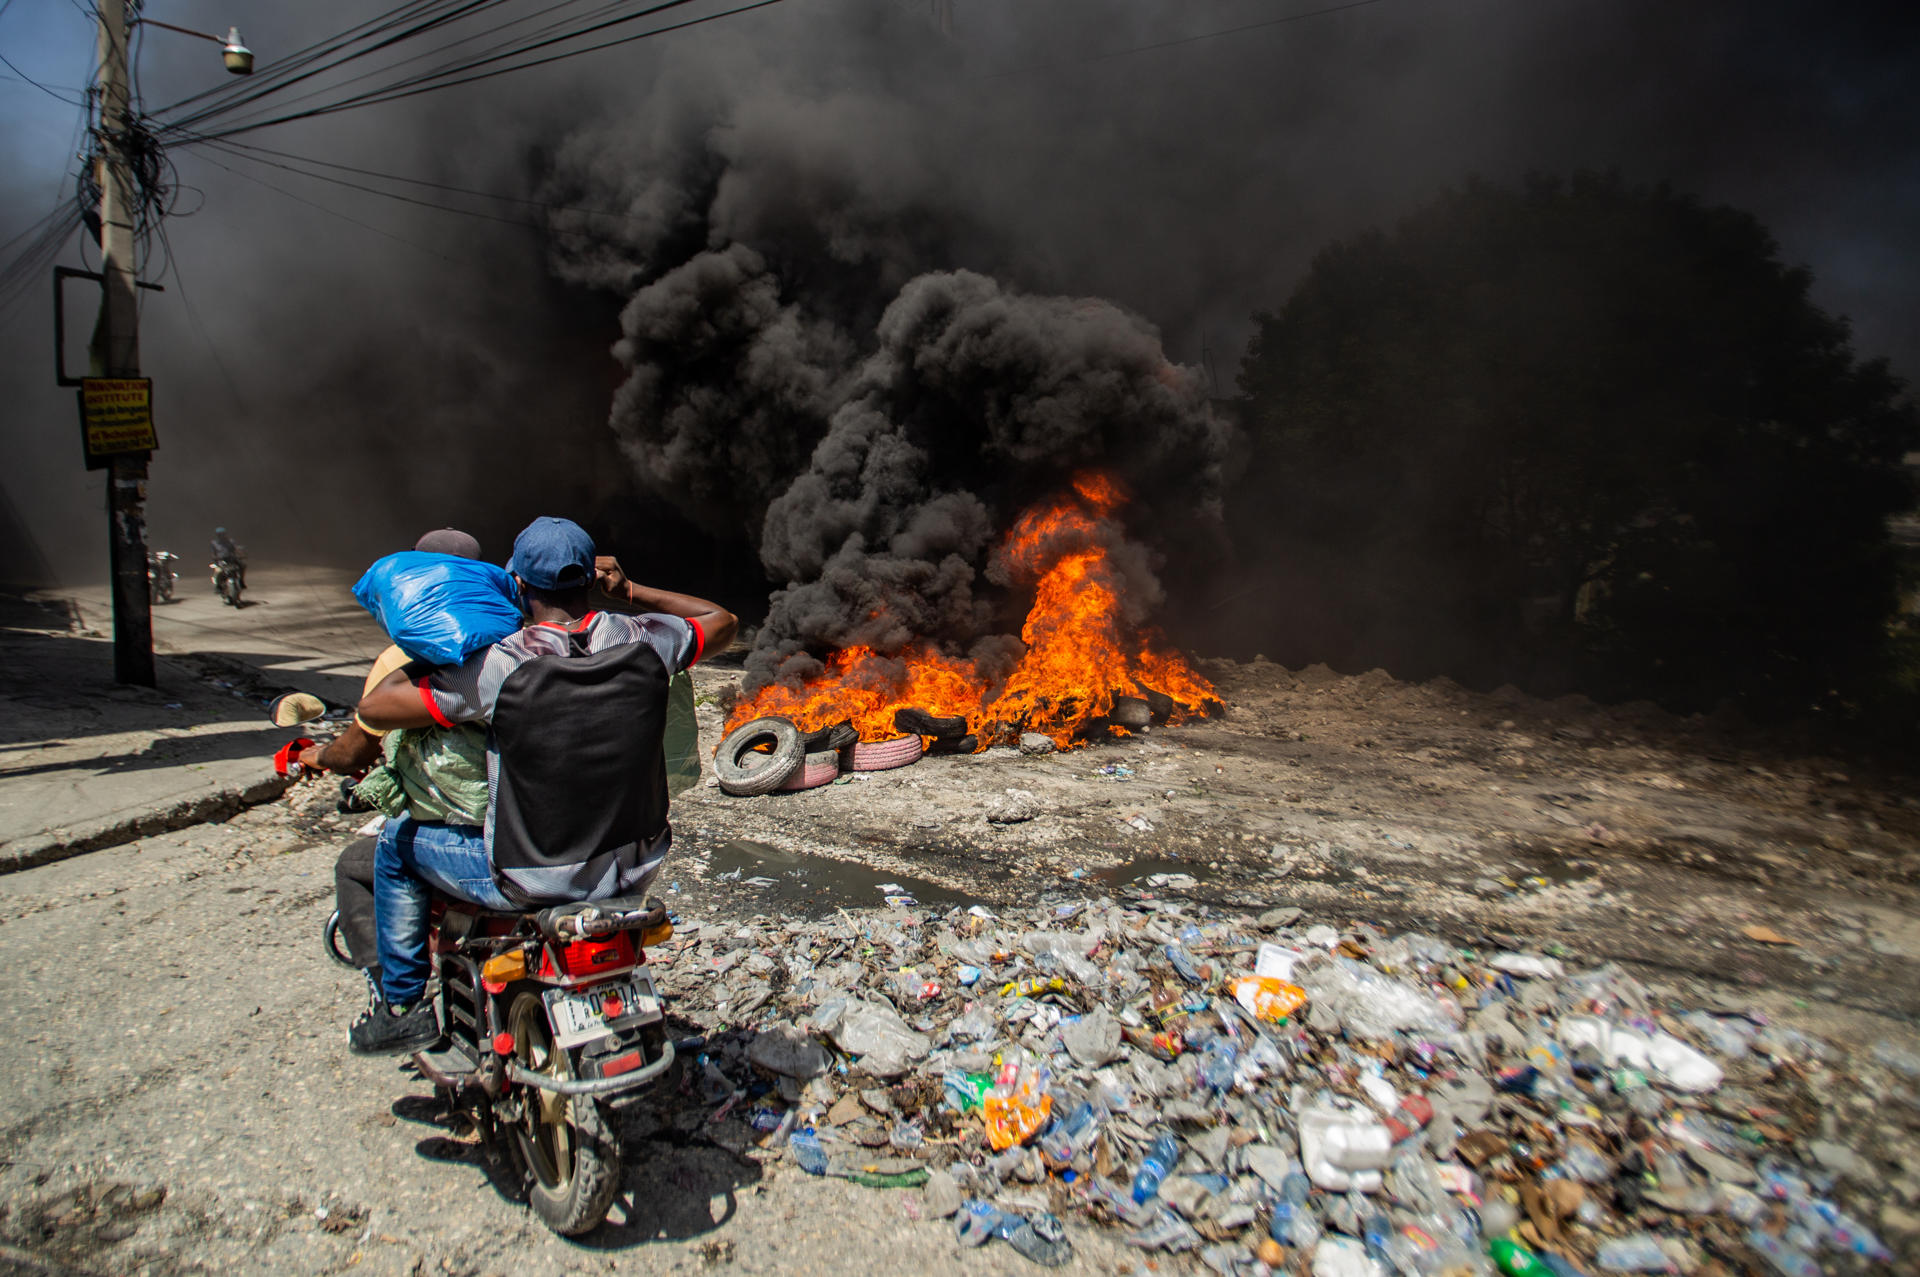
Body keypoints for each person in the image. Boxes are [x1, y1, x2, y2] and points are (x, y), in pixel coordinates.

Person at [349, 516, 737, 1055]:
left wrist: (432, 642)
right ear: (592, 581)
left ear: (521, 587)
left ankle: (402, 1009)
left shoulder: (496, 666)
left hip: (531, 879)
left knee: (393, 842)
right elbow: (722, 620)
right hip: (635, 865)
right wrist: (629, 591)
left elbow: (375, 707)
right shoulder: (645, 642)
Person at [297, 528, 491, 992]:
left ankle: (396, 996)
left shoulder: (403, 661)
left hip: (468, 833)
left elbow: (356, 748)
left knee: (364, 860)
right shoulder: (523, 642)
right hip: (536, 826)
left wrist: (317, 755)